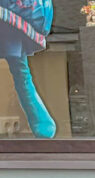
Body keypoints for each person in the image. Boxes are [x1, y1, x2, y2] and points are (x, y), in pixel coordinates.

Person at [1, 0, 56, 138]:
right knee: (21, 73)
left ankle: (42, 123)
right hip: (10, 20)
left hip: (9, 21)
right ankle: (42, 122)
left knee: (21, 73)